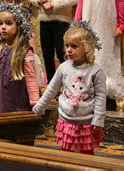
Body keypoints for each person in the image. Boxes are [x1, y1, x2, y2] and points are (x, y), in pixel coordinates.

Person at [33, 21, 106, 155]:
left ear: (86, 47)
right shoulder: (63, 67)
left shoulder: (96, 71)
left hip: (87, 121)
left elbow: (101, 97)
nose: (68, 50)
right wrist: (39, 106)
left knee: (87, 154)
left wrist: (98, 119)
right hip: (66, 119)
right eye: (67, 46)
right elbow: (51, 90)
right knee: (66, 154)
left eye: (74, 46)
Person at [75, 0, 124, 110]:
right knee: (88, 54)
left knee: (106, 54)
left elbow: (119, 0)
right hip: (88, 23)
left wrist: (121, 23)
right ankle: (86, 90)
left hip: (107, 24)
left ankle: (107, 93)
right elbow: (81, 0)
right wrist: (76, 23)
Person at [0, 2, 39, 114]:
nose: (3, 27)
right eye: (1, 24)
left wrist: (35, 102)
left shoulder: (25, 52)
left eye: (9, 23)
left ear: (19, 26)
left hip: (14, 106)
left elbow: (31, 79)